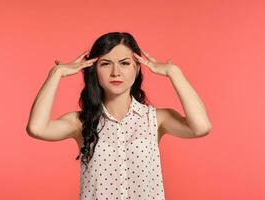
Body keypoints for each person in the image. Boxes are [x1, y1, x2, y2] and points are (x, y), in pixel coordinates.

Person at [26, 32, 212, 200]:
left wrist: (174, 73)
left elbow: (201, 127)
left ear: (137, 68)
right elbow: (37, 128)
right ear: (94, 69)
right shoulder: (81, 122)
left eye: (124, 63)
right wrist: (56, 73)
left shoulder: (156, 119)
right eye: (106, 64)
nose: (116, 72)